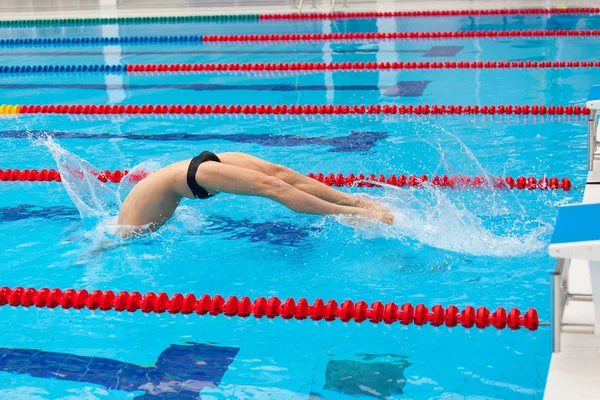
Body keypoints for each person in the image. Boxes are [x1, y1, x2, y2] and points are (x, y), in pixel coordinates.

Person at [116, 151, 394, 237]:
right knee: (278, 176)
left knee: (276, 183)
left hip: (189, 176)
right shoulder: (127, 222)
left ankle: (357, 210)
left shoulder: (126, 233)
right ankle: (359, 205)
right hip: (194, 166)